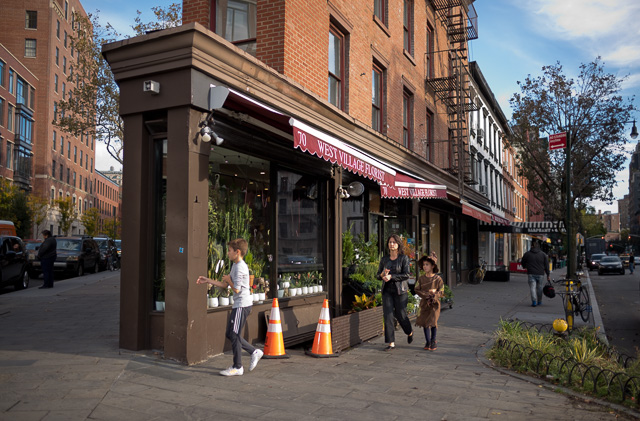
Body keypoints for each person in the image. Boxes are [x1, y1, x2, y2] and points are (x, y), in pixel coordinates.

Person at [196, 238, 263, 376]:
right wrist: (207, 280)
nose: (227, 253)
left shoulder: (240, 267)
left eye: (230, 251)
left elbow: (236, 289)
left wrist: (229, 280)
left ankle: (238, 367)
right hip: (239, 305)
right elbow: (225, 285)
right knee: (231, 334)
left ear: (237, 252)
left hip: (242, 306)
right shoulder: (235, 265)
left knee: (235, 334)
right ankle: (254, 351)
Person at [377, 234, 414, 351]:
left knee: (401, 315)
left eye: (394, 242)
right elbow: (378, 275)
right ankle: (391, 342)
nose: (391, 244)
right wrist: (382, 275)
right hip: (387, 291)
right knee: (388, 315)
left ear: (398, 245)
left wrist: (391, 276)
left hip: (400, 291)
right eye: (390, 242)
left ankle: (409, 331)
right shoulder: (384, 259)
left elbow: (406, 275)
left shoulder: (404, 258)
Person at [415, 255, 444, 351]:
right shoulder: (421, 279)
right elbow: (416, 289)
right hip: (424, 304)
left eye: (427, 264)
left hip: (435, 304)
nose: (425, 266)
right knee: (425, 323)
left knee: (433, 321)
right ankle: (427, 341)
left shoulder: (438, 279)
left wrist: (435, 293)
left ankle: (433, 340)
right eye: (423, 265)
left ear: (432, 266)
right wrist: (426, 295)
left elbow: (442, 291)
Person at [520, 240, 550, 307]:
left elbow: (523, 262)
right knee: (539, 288)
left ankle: (534, 301)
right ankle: (539, 301)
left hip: (531, 273)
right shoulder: (543, 254)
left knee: (532, 287)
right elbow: (546, 265)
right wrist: (548, 275)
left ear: (531, 246)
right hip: (540, 273)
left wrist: (525, 266)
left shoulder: (527, 254)